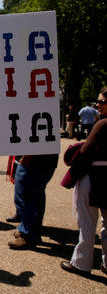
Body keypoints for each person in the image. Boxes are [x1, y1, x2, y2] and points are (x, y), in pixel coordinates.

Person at [61, 87, 107, 276]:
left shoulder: (103, 124)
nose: (98, 105)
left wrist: (73, 173)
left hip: (95, 175)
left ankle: (82, 262)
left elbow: (85, 151)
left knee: (87, 222)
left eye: (101, 102)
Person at [8, 154, 58, 250]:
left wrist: (26, 157)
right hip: (46, 161)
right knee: (37, 197)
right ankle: (33, 232)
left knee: (25, 198)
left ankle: (27, 235)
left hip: (33, 162)